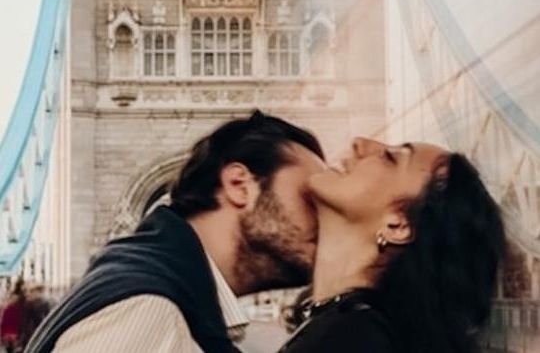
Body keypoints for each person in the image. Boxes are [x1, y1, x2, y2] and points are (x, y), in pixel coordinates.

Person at [25, 110, 326, 353]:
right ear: (239, 185)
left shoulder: (166, 295)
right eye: (312, 198)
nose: (328, 218)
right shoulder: (146, 313)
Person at [280, 137, 506, 353]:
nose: (360, 143)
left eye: (391, 157)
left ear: (398, 225)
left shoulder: (354, 339)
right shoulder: (349, 327)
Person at [0, 278, 27, 353]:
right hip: (16, 334)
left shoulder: (8, 305)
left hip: (9, 334)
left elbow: (4, 320)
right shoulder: (22, 305)